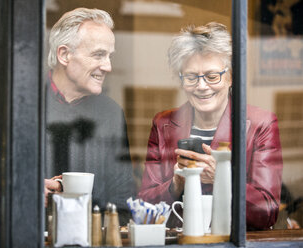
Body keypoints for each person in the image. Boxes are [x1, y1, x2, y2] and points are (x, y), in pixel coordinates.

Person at [138, 22, 283, 230]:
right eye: (191, 77)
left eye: (212, 76)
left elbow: (267, 212)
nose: (202, 86)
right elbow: (143, 210)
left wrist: (223, 178)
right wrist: (175, 184)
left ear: (231, 76)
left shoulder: (261, 124)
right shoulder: (163, 124)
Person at [44, 8, 135, 224]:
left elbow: (123, 200)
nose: (108, 66)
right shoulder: (21, 103)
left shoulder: (112, 113)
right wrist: (30, 189)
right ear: (64, 54)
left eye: (109, 56)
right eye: (98, 54)